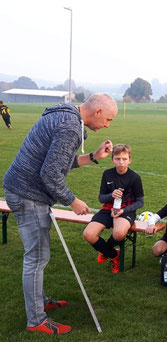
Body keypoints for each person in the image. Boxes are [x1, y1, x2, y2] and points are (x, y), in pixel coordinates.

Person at [3, 94, 118, 335]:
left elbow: (60, 161)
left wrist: (94, 157)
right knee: (36, 258)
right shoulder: (69, 127)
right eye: (108, 119)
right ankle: (36, 320)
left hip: (24, 189)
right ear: (97, 111)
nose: (108, 125)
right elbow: (50, 174)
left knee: (39, 255)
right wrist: (72, 201)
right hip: (27, 193)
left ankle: (39, 300)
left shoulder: (66, 116)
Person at [83, 144, 144, 273]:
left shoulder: (135, 177)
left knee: (119, 233)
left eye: (124, 159)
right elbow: (101, 198)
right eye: (117, 159)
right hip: (107, 208)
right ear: (112, 160)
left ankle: (106, 250)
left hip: (126, 210)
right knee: (88, 234)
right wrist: (111, 195)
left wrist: (124, 210)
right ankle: (113, 254)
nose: (121, 162)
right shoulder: (107, 174)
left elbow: (140, 202)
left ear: (129, 160)